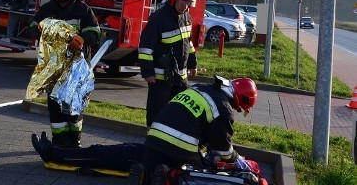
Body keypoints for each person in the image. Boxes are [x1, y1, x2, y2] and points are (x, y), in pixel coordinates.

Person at [30, 77, 259, 185]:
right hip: (183, 153)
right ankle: (165, 175)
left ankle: (55, 152)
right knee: (204, 173)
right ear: (241, 99)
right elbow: (222, 149)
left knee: (111, 154)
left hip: (155, 139)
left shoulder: (200, 88)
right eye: (242, 107)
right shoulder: (224, 109)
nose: (239, 110)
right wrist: (238, 161)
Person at [28, 0, 100, 148]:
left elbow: (96, 32)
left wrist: (83, 37)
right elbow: (32, 25)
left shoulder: (83, 10)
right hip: (54, 68)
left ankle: (75, 142)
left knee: (74, 107)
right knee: (55, 106)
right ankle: (59, 142)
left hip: (76, 69)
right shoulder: (47, 9)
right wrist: (37, 29)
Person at [138, 0, 198, 127]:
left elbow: (188, 43)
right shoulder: (158, 19)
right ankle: (152, 141)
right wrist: (147, 72)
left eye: (188, 3)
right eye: (182, 2)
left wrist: (192, 63)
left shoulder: (186, 18)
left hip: (180, 78)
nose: (185, 6)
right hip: (160, 78)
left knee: (180, 112)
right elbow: (145, 48)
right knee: (157, 112)